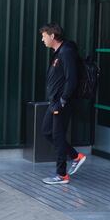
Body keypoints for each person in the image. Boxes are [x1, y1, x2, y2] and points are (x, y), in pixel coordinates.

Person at [39, 22, 87, 185]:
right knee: (47, 131)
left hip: (61, 103)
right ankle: (75, 156)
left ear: (52, 36)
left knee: (58, 136)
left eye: (44, 36)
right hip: (54, 101)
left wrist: (62, 101)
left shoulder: (66, 52)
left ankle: (61, 175)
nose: (42, 39)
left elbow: (71, 79)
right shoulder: (58, 52)